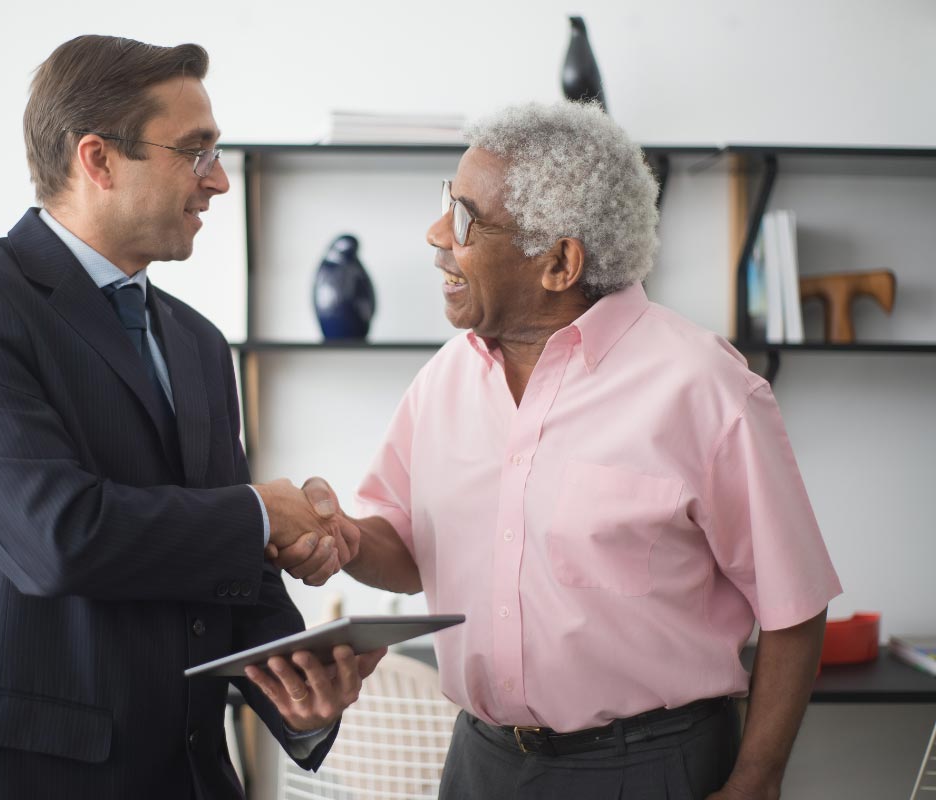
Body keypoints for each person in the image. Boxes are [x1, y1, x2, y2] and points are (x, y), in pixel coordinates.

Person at [294, 102, 842, 799]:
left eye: (464, 218)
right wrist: (342, 538)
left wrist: (758, 778)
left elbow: (794, 603)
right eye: (445, 204)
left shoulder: (705, 386)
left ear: (559, 262)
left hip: (648, 767)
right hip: (480, 762)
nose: (436, 236)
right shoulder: (445, 378)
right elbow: (405, 550)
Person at [0, 35, 380, 800]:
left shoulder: (198, 342)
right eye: (195, 151)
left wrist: (303, 688)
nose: (218, 180)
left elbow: (230, 573)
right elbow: (58, 537)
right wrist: (262, 514)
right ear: (98, 159)